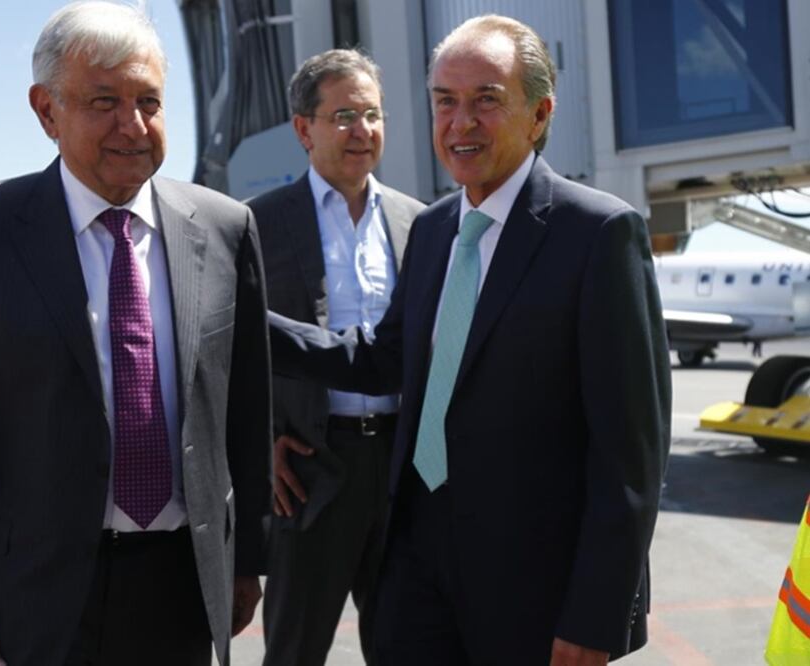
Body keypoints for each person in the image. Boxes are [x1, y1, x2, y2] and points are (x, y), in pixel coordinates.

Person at [269, 15, 671, 665]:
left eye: (486, 100)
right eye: (444, 102)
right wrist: (239, 319)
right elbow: (381, 358)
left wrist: (596, 616)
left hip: (532, 589)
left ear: (538, 114)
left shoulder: (596, 235)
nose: (460, 123)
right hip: (416, 569)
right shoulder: (432, 231)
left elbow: (631, 458)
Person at [0, 3, 271, 664]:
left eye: (149, 101)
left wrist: (245, 562)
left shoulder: (226, 228)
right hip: (31, 595)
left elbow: (242, 413)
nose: (131, 126)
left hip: (179, 587)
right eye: (103, 100)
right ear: (47, 111)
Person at [248, 49, 423, 666]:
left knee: (408, 645)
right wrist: (261, 440)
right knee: (294, 651)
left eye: (373, 115)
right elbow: (228, 348)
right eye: (344, 115)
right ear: (304, 129)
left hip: (403, 470)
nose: (363, 131)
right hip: (309, 470)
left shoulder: (420, 224)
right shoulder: (256, 225)